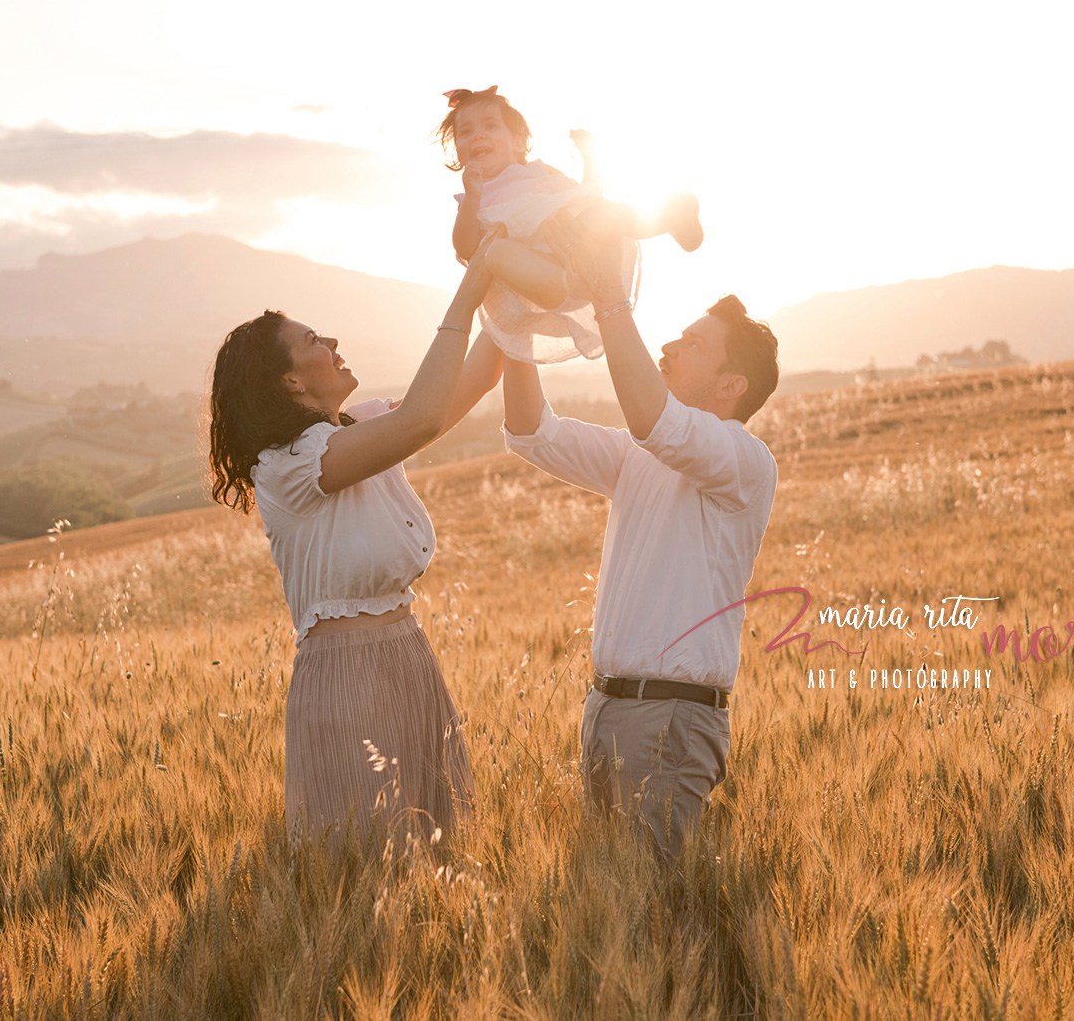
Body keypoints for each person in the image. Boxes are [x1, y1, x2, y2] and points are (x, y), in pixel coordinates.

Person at [206, 228, 505, 849]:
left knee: (440, 855)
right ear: (290, 382)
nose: (333, 342)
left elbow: (465, 386)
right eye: (313, 340)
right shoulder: (287, 465)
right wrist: (468, 290)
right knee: (361, 865)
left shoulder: (359, 427)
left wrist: (514, 298)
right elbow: (422, 418)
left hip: (409, 656)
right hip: (348, 677)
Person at [500, 214, 780, 860]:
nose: (672, 347)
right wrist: (513, 323)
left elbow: (655, 419)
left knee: (653, 920)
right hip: (607, 713)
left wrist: (609, 299)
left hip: (670, 722)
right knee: (611, 920)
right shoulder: (640, 453)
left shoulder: (744, 459)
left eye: (694, 344)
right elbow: (530, 430)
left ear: (730, 386)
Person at [439, 85, 704, 364]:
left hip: (584, 252)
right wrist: (472, 196)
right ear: (457, 151)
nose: (477, 135)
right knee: (496, 252)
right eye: (465, 132)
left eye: (490, 126)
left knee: (596, 212)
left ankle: (667, 220)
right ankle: (575, 277)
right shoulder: (475, 194)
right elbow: (467, 248)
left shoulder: (539, 176)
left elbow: (587, 193)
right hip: (547, 280)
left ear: (517, 142)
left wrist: (590, 156)